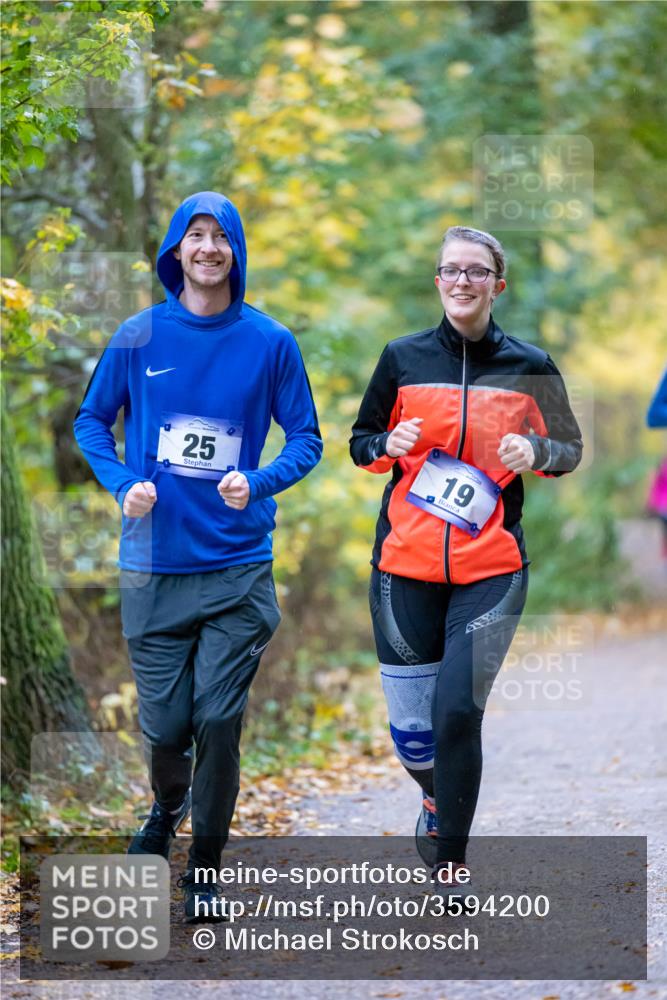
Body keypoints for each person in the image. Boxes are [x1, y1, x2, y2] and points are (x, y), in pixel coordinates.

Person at [74, 191, 322, 922]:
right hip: (153, 565)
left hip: (237, 566)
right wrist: (123, 484)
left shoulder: (270, 341)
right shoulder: (139, 335)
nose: (209, 248)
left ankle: (205, 867)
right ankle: (165, 806)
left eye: (221, 237)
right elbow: (92, 421)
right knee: (165, 730)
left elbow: (306, 438)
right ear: (176, 250)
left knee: (217, 719)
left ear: (236, 252)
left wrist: (260, 480)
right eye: (196, 235)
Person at [350, 226, 582, 893]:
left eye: (476, 271)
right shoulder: (401, 357)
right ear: (437, 281)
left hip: (492, 569)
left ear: (496, 285)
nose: (462, 281)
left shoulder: (530, 364)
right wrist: (387, 444)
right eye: (450, 270)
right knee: (413, 734)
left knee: (456, 712)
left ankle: (450, 860)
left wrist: (536, 453)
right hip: (403, 568)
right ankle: (433, 795)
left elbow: (569, 449)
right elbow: (360, 443)